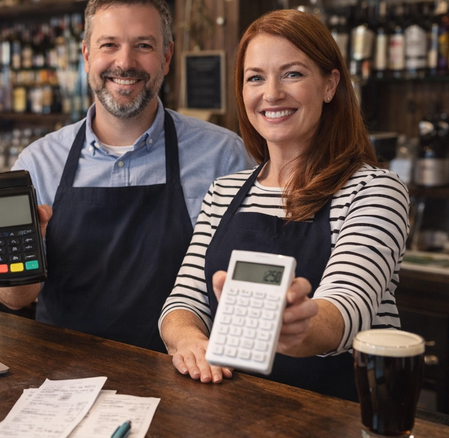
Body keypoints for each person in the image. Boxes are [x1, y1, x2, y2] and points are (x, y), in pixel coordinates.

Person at [0, 0, 251, 352]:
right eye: (108, 44)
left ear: (167, 56)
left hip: (185, 373)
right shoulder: (39, 161)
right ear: (86, 55)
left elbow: (244, 283)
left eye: (143, 45)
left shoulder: (223, 155)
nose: (125, 62)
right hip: (64, 379)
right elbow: (16, 299)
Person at [158, 9, 409, 401]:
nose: (271, 93)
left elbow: (344, 312)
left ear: (330, 85)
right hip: (233, 408)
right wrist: (188, 340)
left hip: (340, 413)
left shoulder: (375, 190)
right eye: (255, 77)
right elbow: (184, 302)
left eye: (292, 73)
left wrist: (296, 325)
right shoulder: (224, 191)